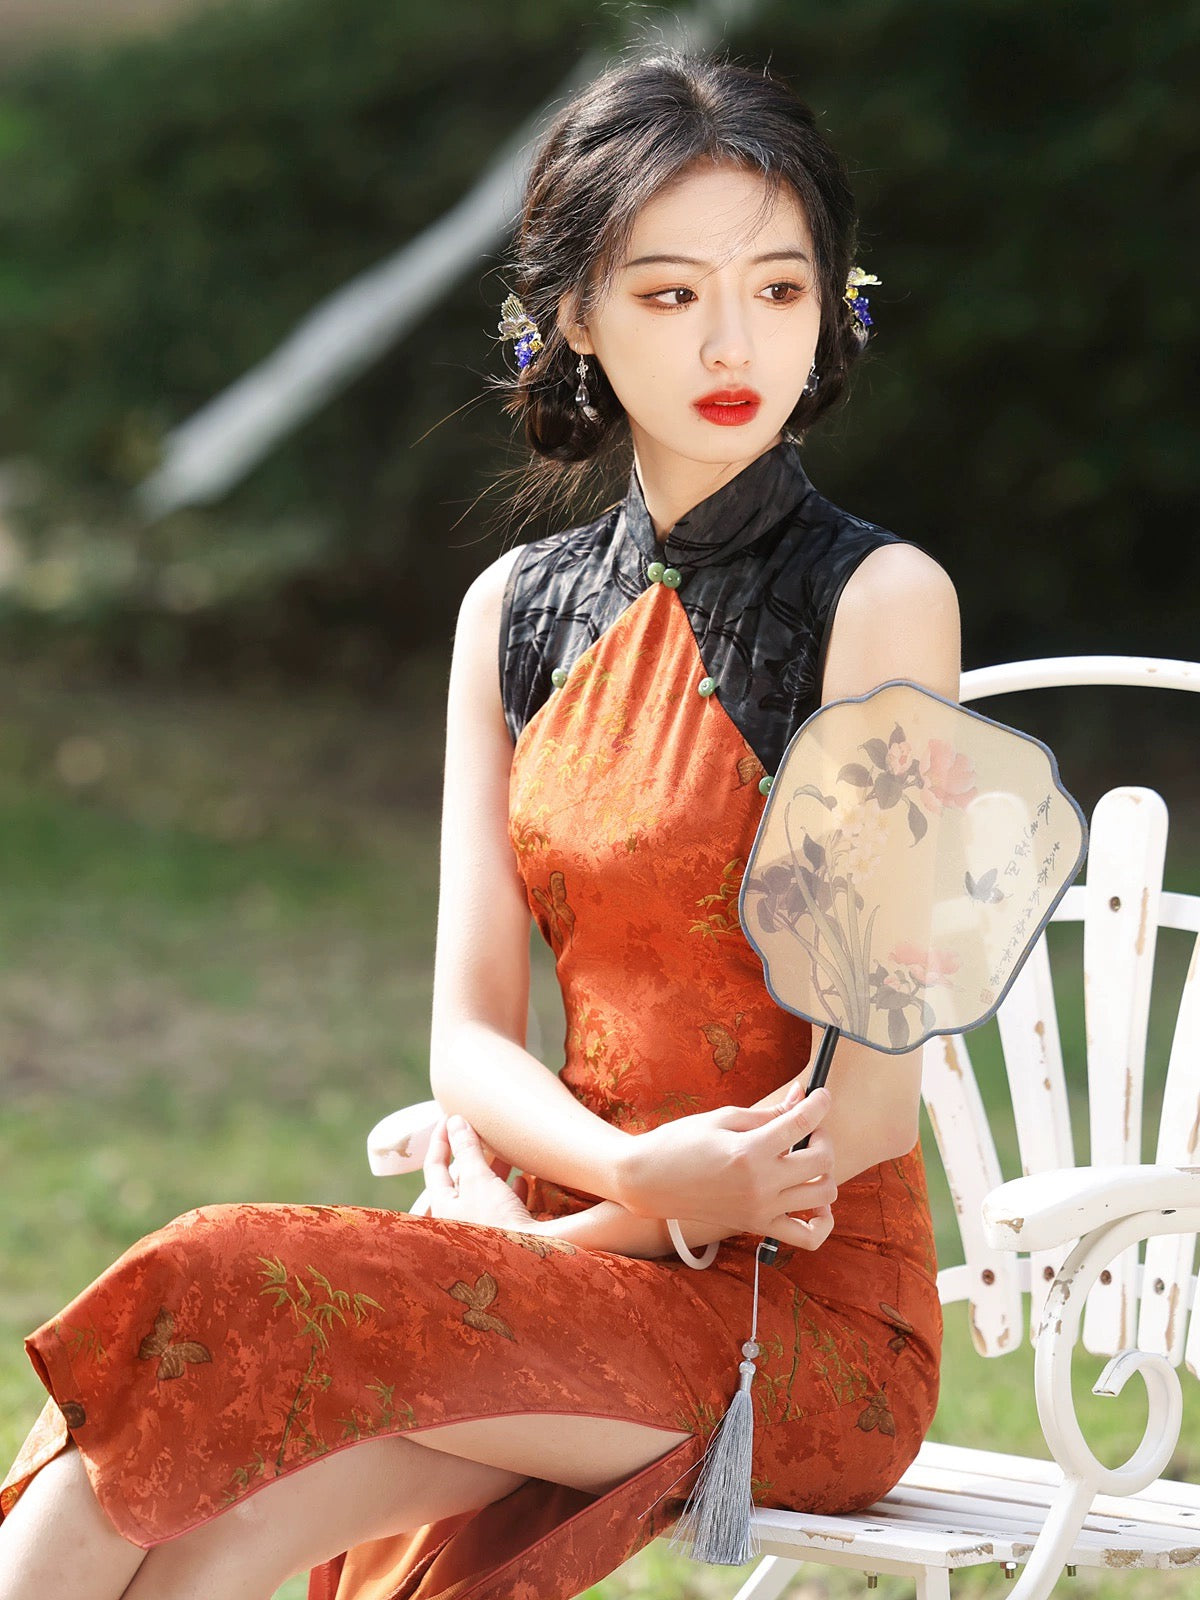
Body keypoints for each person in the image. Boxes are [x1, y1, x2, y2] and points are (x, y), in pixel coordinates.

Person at [0, 44, 959, 1600]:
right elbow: (469, 1037)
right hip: (567, 1251)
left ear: (831, 304)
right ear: (575, 315)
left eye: (779, 289)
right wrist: (610, 1187)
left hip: (800, 1323)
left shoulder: (882, 602)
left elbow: (863, 1117)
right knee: (202, 1515)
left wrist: (559, 1241)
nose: (735, 341)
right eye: (671, 294)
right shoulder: (511, 611)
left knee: (218, 1289)